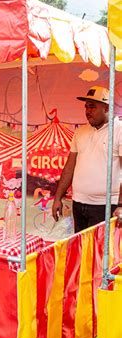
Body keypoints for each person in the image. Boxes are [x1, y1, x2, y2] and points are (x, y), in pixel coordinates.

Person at [52, 86, 122, 232]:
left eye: (92, 107)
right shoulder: (80, 132)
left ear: (106, 108)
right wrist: (58, 197)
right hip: (78, 204)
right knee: (83, 251)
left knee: (102, 253)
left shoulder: (119, 130)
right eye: (86, 107)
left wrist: (121, 205)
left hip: (107, 206)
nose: (87, 111)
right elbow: (69, 167)